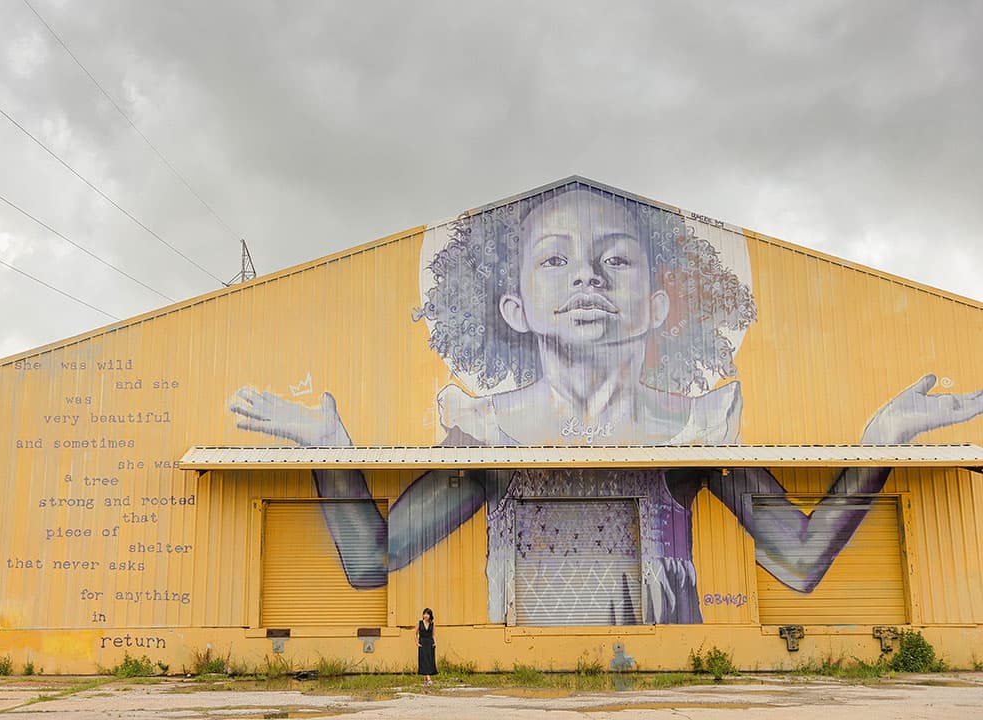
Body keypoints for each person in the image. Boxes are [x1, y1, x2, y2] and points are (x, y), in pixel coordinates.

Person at [230, 182, 983, 624]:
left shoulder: (697, 433)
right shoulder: (485, 439)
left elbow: (799, 560)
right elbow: (371, 561)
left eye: (615, 258)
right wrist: (329, 449)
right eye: (554, 260)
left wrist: (881, 442)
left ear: (657, 305)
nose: (587, 277)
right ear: (514, 307)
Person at [417, 607, 437, 684]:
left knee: (429, 660)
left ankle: (426, 678)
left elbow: (433, 635)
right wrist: (417, 643)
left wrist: (435, 642)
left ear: (430, 615)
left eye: (427, 614)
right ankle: (428, 678)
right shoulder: (419, 623)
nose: (425, 615)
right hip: (422, 643)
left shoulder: (432, 624)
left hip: (430, 643)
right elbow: (415, 634)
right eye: (424, 614)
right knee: (423, 660)